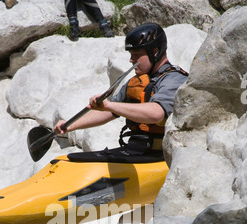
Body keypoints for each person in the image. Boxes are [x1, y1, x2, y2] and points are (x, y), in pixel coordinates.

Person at [55, 23, 188, 163]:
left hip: (160, 155)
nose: (131, 60)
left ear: (154, 52)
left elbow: (156, 113)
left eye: (136, 55)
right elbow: (109, 111)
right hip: (135, 149)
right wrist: (71, 126)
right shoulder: (137, 81)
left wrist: (110, 106)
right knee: (70, 160)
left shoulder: (174, 80)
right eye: (131, 55)